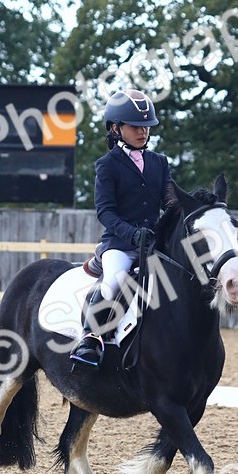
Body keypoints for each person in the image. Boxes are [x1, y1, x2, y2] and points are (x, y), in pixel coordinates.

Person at [70, 88, 172, 368]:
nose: (143, 133)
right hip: (119, 245)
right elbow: (105, 211)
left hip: (153, 243)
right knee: (113, 282)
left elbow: (169, 201)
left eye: (146, 127)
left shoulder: (159, 162)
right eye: (136, 127)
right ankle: (90, 338)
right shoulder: (107, 165)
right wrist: (132, 233)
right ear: (116, 128)